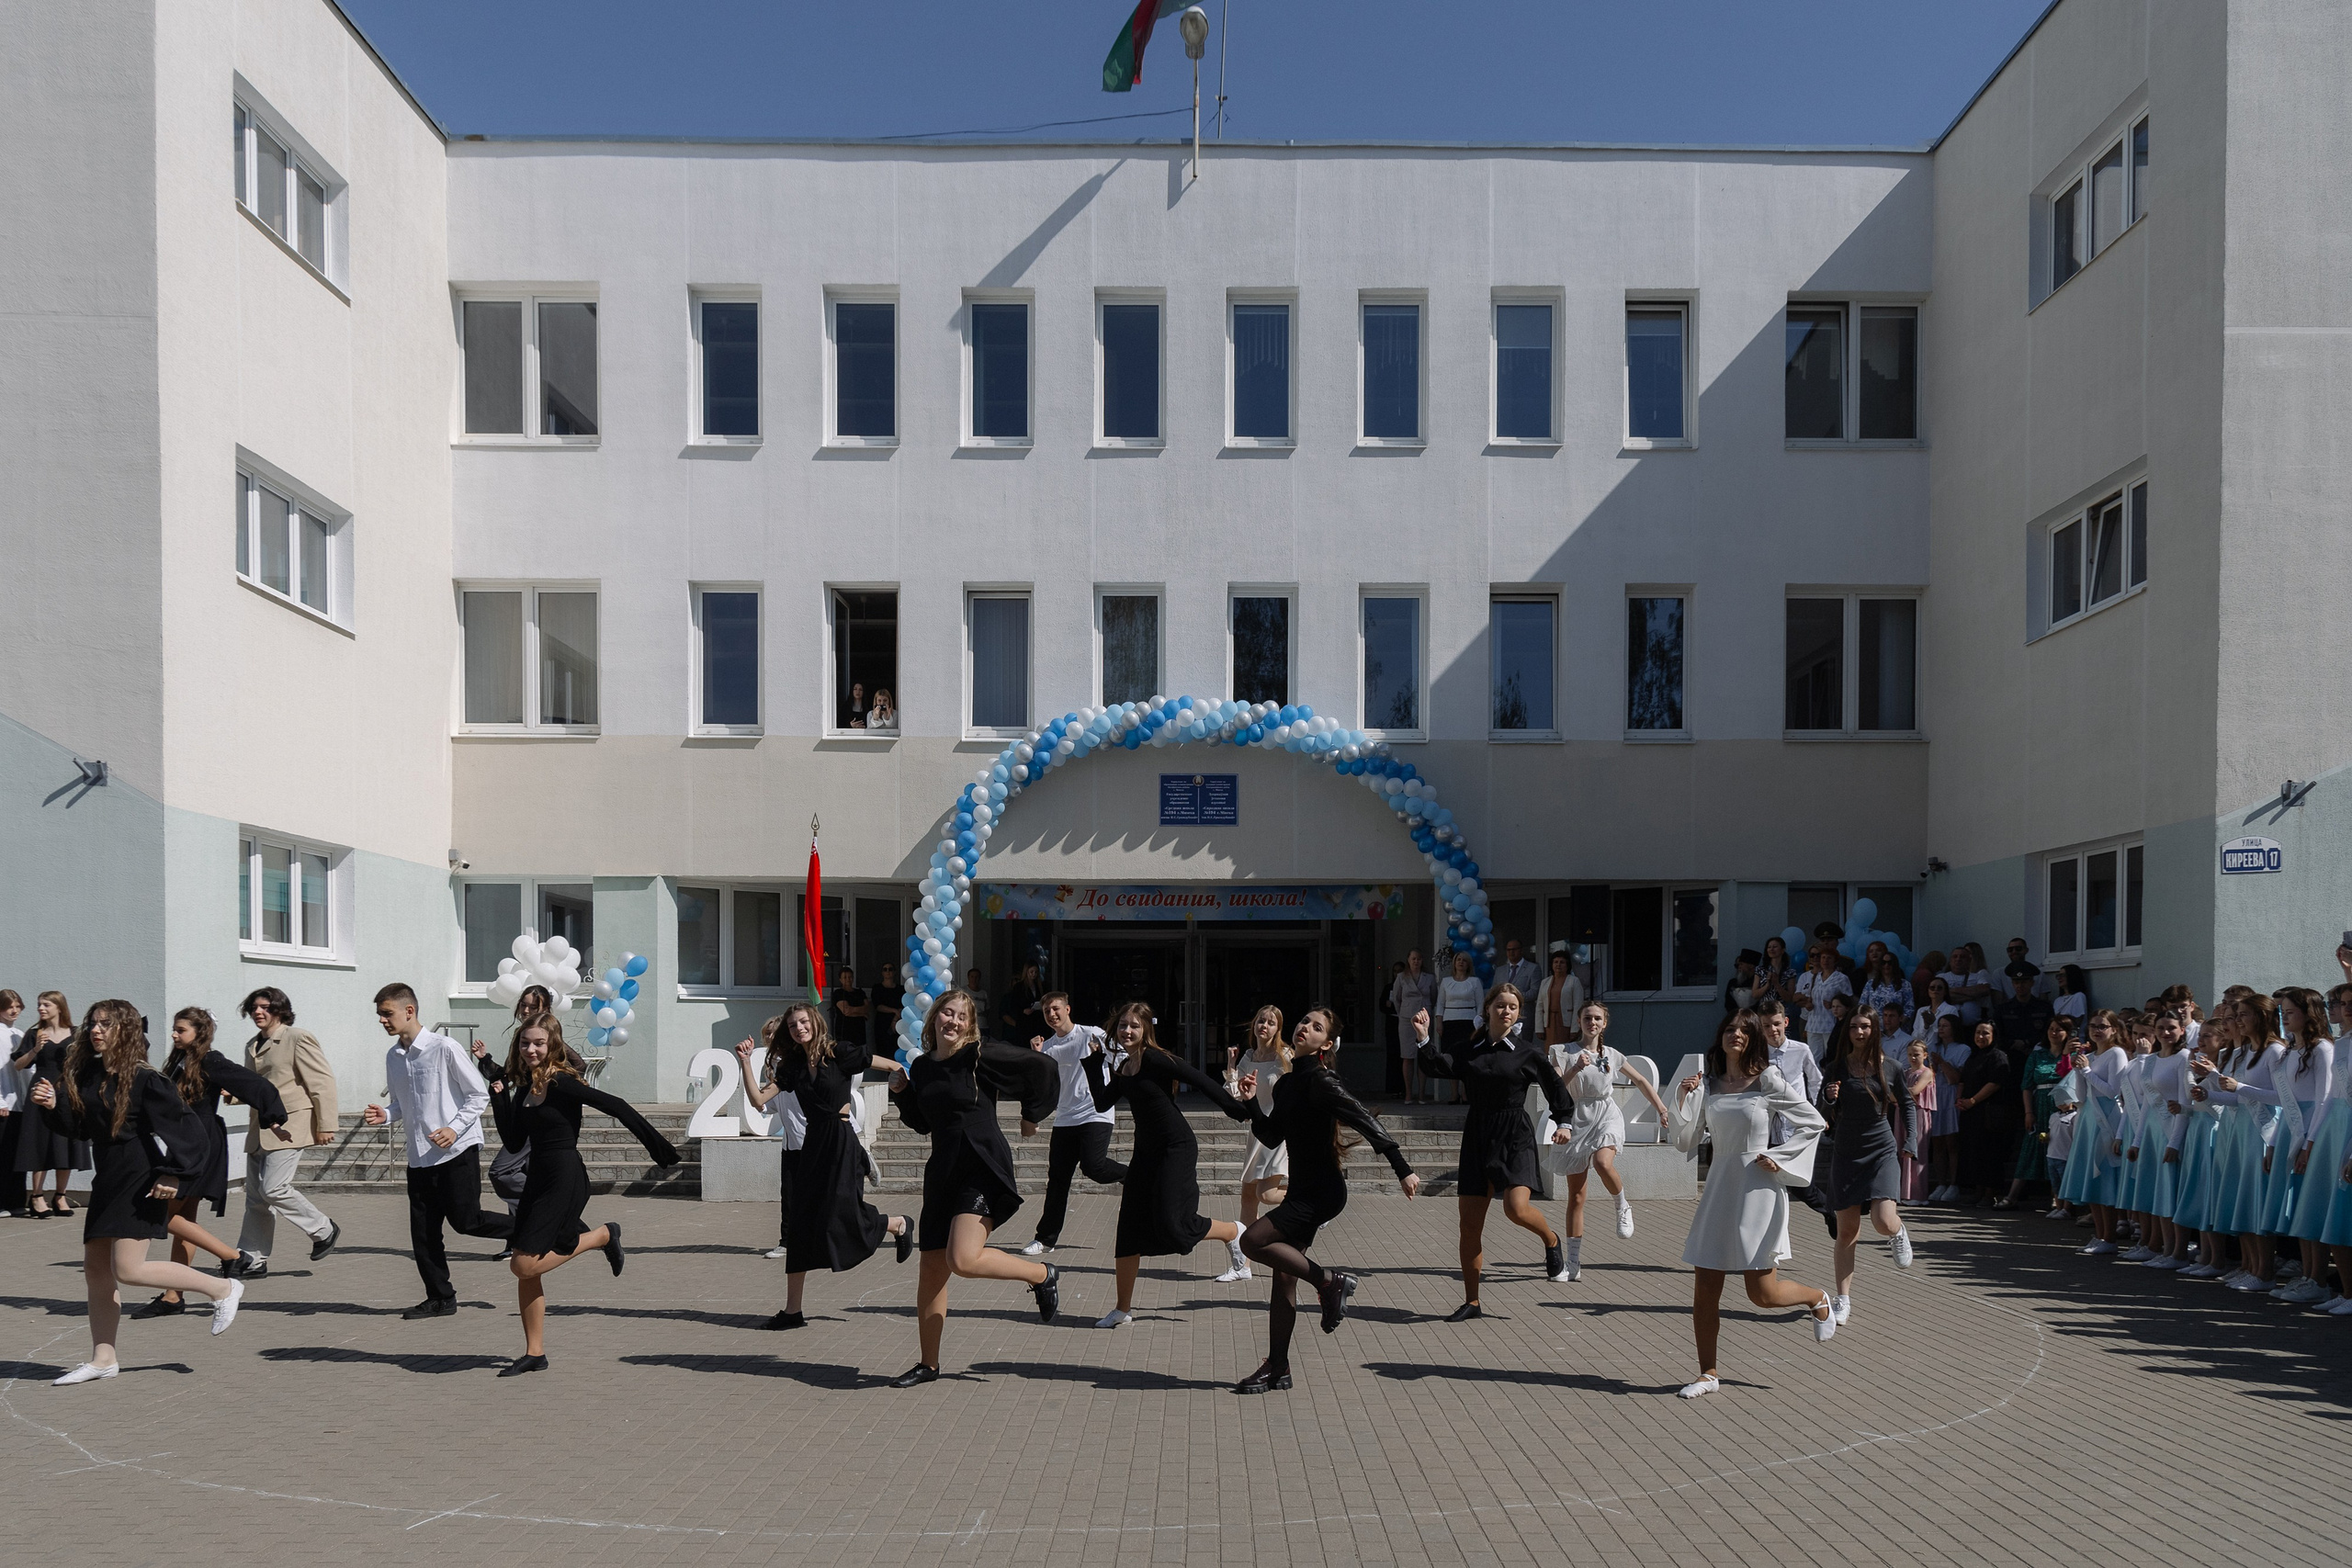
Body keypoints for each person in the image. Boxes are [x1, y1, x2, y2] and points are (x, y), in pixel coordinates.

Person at [31, 999, 244, 1383]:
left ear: (125, 1030)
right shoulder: (92, 1073)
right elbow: (83, 1129)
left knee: (129, 1270)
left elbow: (190, 1132)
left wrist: (175, 1175)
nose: (96, 1030)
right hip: (109, 1174)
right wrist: (52, 1105)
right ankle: (103, 1360)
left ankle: (223, 1287)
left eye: (106, 1024)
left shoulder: (146, 1077)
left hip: (139, 1173)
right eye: (93, 1023)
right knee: (96, 1270)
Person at [478, 1014, 681, 1375]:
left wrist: (660, 1149)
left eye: (539, 1042)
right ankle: (534, 1353)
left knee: (522, 1263)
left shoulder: (560, 1082)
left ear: (552, 1044)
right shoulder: (524, 1087)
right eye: (526, 1043)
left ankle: (602, 1235)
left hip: (564, 1178)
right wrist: (498, 1094)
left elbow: (616, 1104)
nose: (531, 1049)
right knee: (528, 1271)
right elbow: (512, 1140)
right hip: (538, 1177)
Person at [1233, 1008, 1418, 1394]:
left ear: (1327, 1044)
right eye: (1304, 1022)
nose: (1305, 1028)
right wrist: (1250, 1100)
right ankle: (1278, 1368)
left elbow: (1366, 1119)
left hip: (1322, 1193)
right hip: (1303, 1190)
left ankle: (1330, 1282)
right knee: (1283, 1278)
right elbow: (1269, 1136)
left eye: (1316, 1028)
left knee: (1251, 1240)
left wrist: (1402, 1167)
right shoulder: (1287, 1084)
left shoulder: (1321, 1080)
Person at [885, 988, 1060, 1388]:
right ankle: (928, 1365)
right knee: (931, 1269)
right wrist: (902, 1094)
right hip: (943, 1170)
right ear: (934, 1020)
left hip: (981, 1163)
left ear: (970, 1025)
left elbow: (1042, 1068)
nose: (953, 1022)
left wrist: (1033, 1115)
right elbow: (924, 1122)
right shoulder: (924, 1067)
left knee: (963, 1259)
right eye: (947, 1014)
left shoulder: (980, 1054)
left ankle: (1041, 1273)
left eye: (961, 1017)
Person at [1667, 1009, 1836, 1400]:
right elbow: (1686, 1140)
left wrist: (1782, 1157)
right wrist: (1682, 1096)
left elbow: (1812, 1121)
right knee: (1705, 1288)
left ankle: (1816, 1297)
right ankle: (1708, 1373)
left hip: (1758, 1188)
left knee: (1762, 1295)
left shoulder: (1767, 1079)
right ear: (1720, 1037)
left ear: (1754, 1039)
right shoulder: (1708, 1084)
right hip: (1719, 1188)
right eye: (1729, 1029)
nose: (1736, 1036)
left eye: (1744, 1031)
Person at [1083, 1001, 1258, 1327]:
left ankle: (1234, 1231)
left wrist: (1236, 1110)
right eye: (1123, 1025)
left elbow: (1200, 1080)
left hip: (1175, 1148)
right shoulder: (1124, 1067)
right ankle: (1122, 1309)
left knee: (1174, 1226)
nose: (1127, 1031)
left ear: (1146, 1029)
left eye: (1134, 1026)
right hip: (1145, 1154)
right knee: (1128, 1230)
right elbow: (1101, 1101)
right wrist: (1095, 1062)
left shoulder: (1154, 1058)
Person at [1408, 986, 1575, 1315]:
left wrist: (1564, 1122)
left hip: (1515, 1135)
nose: (1506, 1011)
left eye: (1513, 1007)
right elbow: (1440, 1066)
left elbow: (1555, 1088)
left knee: (1516, 1209)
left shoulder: (1527, 1052)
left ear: (1518, 1014)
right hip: (1478, 1135)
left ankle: (1552, 1240)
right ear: (1488, 1009)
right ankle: (1473, 1301)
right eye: (1500, 1005)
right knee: (1469, 1225)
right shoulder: (1471, 1049)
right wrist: (1424, 1038)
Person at [361, 983, 514, 1318]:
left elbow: (478, 1095)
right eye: (380, 1016)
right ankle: (441, 1298)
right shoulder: (394, 1056)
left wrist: (453, 1128)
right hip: (419, 1157)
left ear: (409, 1011)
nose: (383, 1021)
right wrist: (385, 1114)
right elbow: (402, 1104)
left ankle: (537, 1227)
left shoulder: (445, 1048)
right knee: (424, 1234)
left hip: (456, 1152)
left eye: (387, 1014)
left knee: (467, 1222)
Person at [134, 1008, 286, 1315]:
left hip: (198, 1145)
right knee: (184, 1222)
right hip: (185, 1143)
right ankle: (173, 1296)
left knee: (158, 1212)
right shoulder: (180, 1060)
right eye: (174, 1030)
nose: (175, 1035)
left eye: (181, 1030)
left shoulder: (209, 1059)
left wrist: (273, 1118)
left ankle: (232, 1256)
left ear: (199, 1032)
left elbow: (254, 1084)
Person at [1546, 1000, 1671, 1280]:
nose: (1592, 1022)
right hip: (1576, 1117)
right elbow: (1556, 1090)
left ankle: (1622, 1205)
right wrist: (1575, 1068)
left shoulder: (1613, 1055)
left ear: (1604, 1023)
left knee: (1603, 1162)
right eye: (1587, 1018)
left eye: (1597, 1019)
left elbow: (1640, 1080)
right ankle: (1574, 1265)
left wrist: (1662, 1108)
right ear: (1579, 1021)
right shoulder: (1562, 1052)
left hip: (1605, 1113)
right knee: (1576, 1196)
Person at [1817, 1008, 1916, 1325]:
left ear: (1874, 1031)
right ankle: (1843, 1299)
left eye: (1866, 1027)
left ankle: (1897, 1232)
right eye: (1855, 1027)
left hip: (1881, 1149)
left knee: (1883, 1220)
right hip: (1847, 1150)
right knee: (1847, 1232)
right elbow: (1822, 1115)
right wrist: (1830, 1099)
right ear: (1847, 1032)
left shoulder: (1892, 1067)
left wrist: (1911, 1140)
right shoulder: (1836, 1068)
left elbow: (1908, 1103)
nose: (1860, 1032)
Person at [235, 987, 341, 1274]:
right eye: (254, 1007)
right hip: (260, 1127)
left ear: (280, 1010)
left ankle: (323, 1229)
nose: (259, 1012)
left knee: (274, 1187)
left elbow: (322, 1082)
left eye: (265, 1007)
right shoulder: (252, 1045)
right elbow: (252, 1085)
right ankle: (252, 1259)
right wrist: (230, 1093)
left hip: (290, 1125)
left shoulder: (297, 1037)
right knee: (256, 1198)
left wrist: (326, 1124)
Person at [1020, 993, 1129, 1258]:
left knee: (1094, 1166)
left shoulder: (1090, 1034)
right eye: (1046, 1011)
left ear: (1067, 1009)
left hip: (1095, 1112)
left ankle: (1133, 1175)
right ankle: (1045, 1239)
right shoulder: (1046, 1047)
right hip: (1065, 1118)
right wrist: (1036, 1057)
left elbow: (1123, 1055)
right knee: (1057, 1180)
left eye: (1056, 1009)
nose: (1051, 1015)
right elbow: (1039, 1086)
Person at [2203, 993, 2285, 1290]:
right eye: (2235, 1016)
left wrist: (2241, 1087)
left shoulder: (2275, 1051)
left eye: (2242, 1016)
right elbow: (2238, 1097)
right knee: (2242, 1199)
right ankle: (2251, 1266)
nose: (2237, 1022)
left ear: (2262, 1017)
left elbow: (2281, 1097)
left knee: (2255, 1201)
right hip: (2240, 1128)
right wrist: (2210, 1092)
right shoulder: (2249, 1050)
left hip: (2261, 1130)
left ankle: (2265, 1271)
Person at [2257, 987, 2333, 1304]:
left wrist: (2308, 1145)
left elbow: (2323, 1100)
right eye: (2282, 1012)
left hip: (2310, 1131)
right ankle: (2306, 1274)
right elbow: (2283, 1102)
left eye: (2289, 1012)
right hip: (2290, 1128)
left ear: (2309, 1013)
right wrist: (2274, 1144)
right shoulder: (2291, 1050)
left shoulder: (2322, 1050)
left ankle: (2318, 1278)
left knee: (2309, 1206)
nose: (2284, 1017)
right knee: (2298, 1210)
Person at [1218, 1005, 1289, 1282]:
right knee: (1248, 1199)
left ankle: (1311, 1199)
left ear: (1278, 1028)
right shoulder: (1249, 1056)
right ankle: (1242, 1265)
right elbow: (1235, 1094)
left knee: (1267, 1194)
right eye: (1261, 1021)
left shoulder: (1285, 1057)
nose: (1265, 1026)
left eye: (1271, 1022)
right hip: (1257, 1131)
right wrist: (1232, 1067)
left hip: (1278, 1131)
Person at [2058, 1010, 2132, 1253]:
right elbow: (2080, 1095)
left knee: (2104, 1178)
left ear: (2114, 1029)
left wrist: (2088, 1070)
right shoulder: (2090, 1055)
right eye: (2093, 1026)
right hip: (2089, 1117)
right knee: (2091, 1178)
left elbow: (2113, 1091)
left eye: (2102, 1026)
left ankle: (2109, 1238)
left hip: (2107, 1119)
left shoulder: (2116, 1053)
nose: (2097, 1030)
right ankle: (2100, 1235)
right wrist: (2078, 1069)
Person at [12, 990, 89, 1217]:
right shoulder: (35, 1033)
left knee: (65, 1141)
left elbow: (86, 1063)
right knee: (40, 1142)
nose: (41, 1008)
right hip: (41, 1089)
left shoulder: (76, 1034)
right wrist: (36, 1049)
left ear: (59, 1007)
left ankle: (60, 1196)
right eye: (39, 1005)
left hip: (68, 1090)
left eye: (46, 1004)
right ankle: (36, 1196)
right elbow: (18, 1065)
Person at [1996, 1015, 2072, 1211]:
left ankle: (2058, 1197)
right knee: (2031, 1147)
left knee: (2059, 1151)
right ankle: (2012, 1195)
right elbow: (2027, 1086)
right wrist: (2029, 1112)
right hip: (2041, 1106)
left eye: (2059, 1029)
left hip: (2063, 1107)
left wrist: (2067, 1054)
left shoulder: (2072, 1055)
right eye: (2051, 1028)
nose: (2054, 1033)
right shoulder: (2038, 1055)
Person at [1954, 1021, 2019, 1206]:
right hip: (1970, 1113)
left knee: (1990, 1153)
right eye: (1977, 1033)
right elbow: (1963, 1080)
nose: (1980, 1037)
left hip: (1989, 1113)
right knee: (1974, 1152)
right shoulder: (1974, 1056)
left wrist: (1973, 1100)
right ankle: (1978, 1190)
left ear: (1993, 1036)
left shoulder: (1998, 1056)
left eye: (1985, 1033)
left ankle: (1990, 1193)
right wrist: (1960, 1099)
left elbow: (1995, 1083)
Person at [1924, 1011, 1970, 1201]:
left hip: (1951, 1096)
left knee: (1952, 1142)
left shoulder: (1963, 1049)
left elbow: (1956, 1079)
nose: (1941, 1029)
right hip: (1934, 1095)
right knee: (1937, 1143)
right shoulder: (1932, 1047)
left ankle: (1954, 1184)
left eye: (1945, 1026)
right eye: (1939, 1026)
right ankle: (1941, 1183)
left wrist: (1942, 1063)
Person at [1430, 953, 1484, 1106]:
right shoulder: (1446, 982)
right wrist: (1439, 1023)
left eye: (1464, 960)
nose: (1461, 962)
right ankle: (1454, 1094)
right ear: (1454, 963)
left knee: (1467, 1058)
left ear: (1468, 964)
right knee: (1451, 1057)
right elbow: (1440, 1004)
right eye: (1458, 960)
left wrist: (1478, 1025)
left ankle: (1465, 1093)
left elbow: (1480, 1004)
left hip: (1469, 1022)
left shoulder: (1475, 982)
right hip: (1450, 1022)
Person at [1388, 950, 1438, 1104]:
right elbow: (1397, 999)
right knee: (1408, 1056)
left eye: (1419, 959)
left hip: (1424, 1017)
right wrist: (1404, 1012)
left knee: (1423, 1055)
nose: (1416, 961)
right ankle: (1409, 1094)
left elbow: (1434, 996)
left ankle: (1421, 1094)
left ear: (1422, 961)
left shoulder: (1429, 978)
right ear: (1408, 960)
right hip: (1406, 1019)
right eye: (1413, 959)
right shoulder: (1402, 977)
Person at [1795, 945, 1851, 1058]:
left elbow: (1848, 999)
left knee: (1831, 1056)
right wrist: (1808, 1004)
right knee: (1813, 1058)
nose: (1825, 960)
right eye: (1823, 957)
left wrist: (1834, 1003)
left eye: (1829, 958)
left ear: (1835, 960)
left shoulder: (1841, 978)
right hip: (1814, 1023)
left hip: (1830, 1022)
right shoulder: (1815, 977)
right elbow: (1811, 996)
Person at [1900, 1040, 1936, 1201]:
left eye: (1917, 1054)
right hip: (1902, 1114)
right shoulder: (1905, 1072)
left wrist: (1899, 1093)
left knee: (1917, 1153)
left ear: (1925, 1055)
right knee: (1901, 1149)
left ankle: (1918, 1194)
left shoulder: (1926, 1072)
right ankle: (1903, 1192)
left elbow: (1915, 1090)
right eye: (1910, 1055)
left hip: (1918, 1114)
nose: (1913, 1058)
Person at [0, 989, 25, 1216]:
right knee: (3, 1154)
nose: (14, 1010)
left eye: (17, 1005)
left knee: (17, 1154)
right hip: (3, 1104)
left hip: (19, 1103)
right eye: (9, 1006)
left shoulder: (19, 1033)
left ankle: (16, 1201)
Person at [1535, 943, 1587, 1052]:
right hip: (1549, 1024)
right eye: (1556, 962)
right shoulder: (1545, 982)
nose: (1558, 965)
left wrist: (1575, 1028)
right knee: (1549, 1052)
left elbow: (1578, 1006)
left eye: (1562, 962)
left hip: (1565, 1023)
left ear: (1567, 965)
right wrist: (1539, 1028)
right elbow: (1539, 1006)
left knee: (1565, 1051)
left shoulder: (1574, 981)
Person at [1855, 948, 1912, 1022]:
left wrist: (1899, 1024)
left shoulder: (1905, 984)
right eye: (1883, 962)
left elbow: (1909, 1008)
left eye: (1889, 963)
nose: (1886, 965)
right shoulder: (1870, 984)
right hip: (1875, 1027)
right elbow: (1862, 1006)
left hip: (1896, 1028)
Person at [998, 962, 1047, 1043]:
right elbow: (1013, 1005)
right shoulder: (1019, 987)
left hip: (1037, 1021)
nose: (1033, 974)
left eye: (1036, 972)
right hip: (1024, 1022)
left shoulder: (1040, 986)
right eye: (1031, 972)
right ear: (1026, 972)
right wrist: (1023, 1011)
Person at [1754, 936, 1800, 1015]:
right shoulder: (1760, 970)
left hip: (1781, 1013)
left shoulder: (1790, 972)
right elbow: (1754, 995)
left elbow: (1789, 998)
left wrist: (1777, 984)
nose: (1771, 949)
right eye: (1769, 947)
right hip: (1764, 1012)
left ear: (1782, 950)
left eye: (1775, 947)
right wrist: (1767, 985)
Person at [1490, 940, 1539, 1012]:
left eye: (1514, 949)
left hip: (1523, 1014)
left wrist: (1513, 997)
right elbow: (1493, 990)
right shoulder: (1500, 970)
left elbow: (1534, 992)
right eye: (1508, 950)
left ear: (1521, 950)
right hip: (1502, 1015)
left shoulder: (1533, 968)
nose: (1511, 952)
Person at [829, 965, 868, 1049]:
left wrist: (853, 1009)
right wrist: (862, 1013)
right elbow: (846, 1011)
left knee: (860, 1051)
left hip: (859, 1028)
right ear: (840, 979)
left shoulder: (860, 992)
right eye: (845, 977)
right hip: (845, 1028)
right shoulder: (838, 993)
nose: (848, 979)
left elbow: (867, 1008)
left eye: (850, 977)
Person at [2052, 965, 2091, 1037]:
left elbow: (2077, 1020)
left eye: (2063, 975)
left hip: (2075, 1038)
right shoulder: (2057, 1000)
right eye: (2058, 975)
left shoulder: (2079, 996)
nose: (2059, 978)